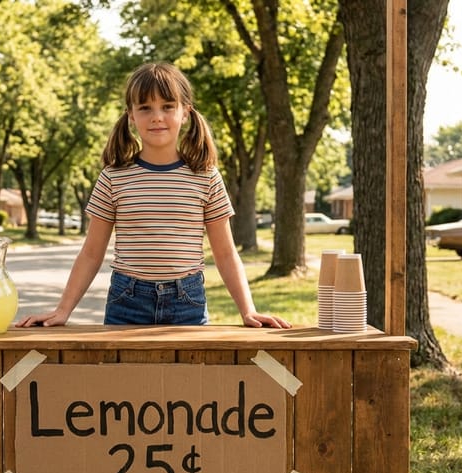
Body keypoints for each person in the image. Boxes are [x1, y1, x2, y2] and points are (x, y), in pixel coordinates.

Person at [15, 62, 290, 329]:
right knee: (123, 376)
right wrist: (63, 310)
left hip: (188, 303)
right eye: (145, 108)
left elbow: (226, 254)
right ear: (131, 116)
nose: (157, 116)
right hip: (127, 301)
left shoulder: (207, 177)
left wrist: (248, 310)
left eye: (167, 107)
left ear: (185, 113)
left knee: (188, 377)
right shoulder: (113, 177)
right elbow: (90, 253)